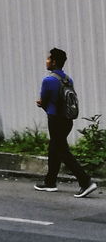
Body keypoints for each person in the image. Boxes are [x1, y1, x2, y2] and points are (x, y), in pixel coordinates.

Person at [34, 47, 96, 197]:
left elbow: (44, 101)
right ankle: (50, 182)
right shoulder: (67, 79)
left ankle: (85, 182)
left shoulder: (48, 80)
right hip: (67, 119)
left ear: (54, 62)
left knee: (62, 151)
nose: (47, 61)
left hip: (55, 120)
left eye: (49, 59)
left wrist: (41, 103)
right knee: (54, 148)